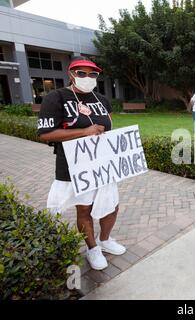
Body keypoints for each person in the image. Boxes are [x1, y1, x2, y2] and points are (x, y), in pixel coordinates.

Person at [37, 56, 126, 271]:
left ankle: (105, 240)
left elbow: (107, 127)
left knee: (111, 206)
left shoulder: (102, 99)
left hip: (103, 165)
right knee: (84, 209)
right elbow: (45, 134)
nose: (87, 77)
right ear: (71, 74)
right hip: (74, 166)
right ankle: (92, 249)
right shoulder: (56, 97)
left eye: (92, 74)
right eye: (81, 73)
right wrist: (84, 132)